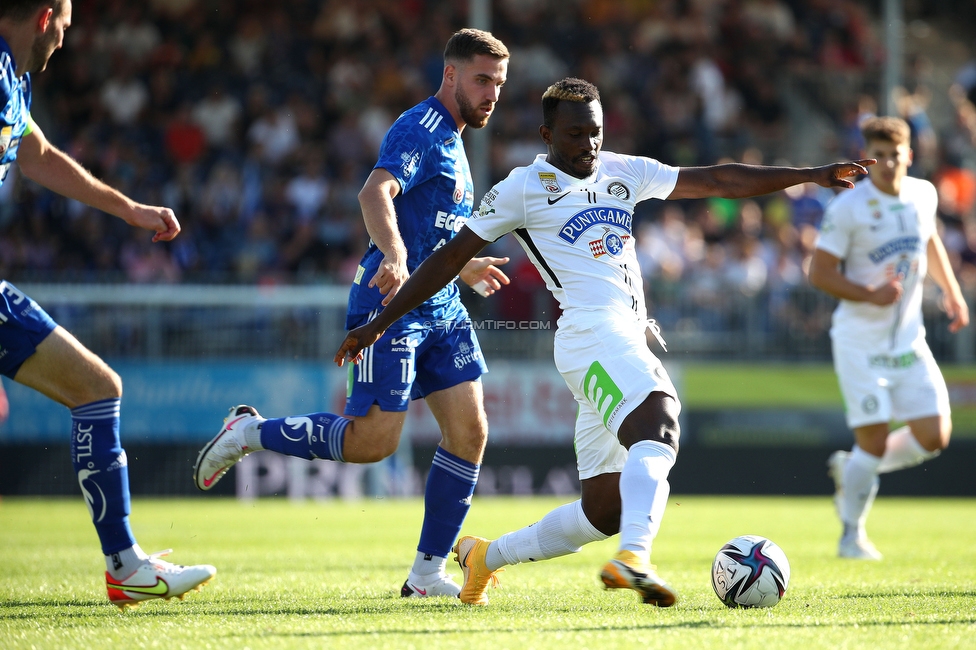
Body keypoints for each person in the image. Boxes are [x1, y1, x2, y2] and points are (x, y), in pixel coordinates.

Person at [334, 77, 873, 606]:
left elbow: (721, 181)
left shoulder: (624, 170)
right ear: (547, 135)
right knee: (660, 420)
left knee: (603, 509)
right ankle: (634, 557)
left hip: (621, 338)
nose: (588, 144)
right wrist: (377, 324)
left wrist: (811, 174)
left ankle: (485, 557)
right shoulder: (523, 187)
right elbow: (447, 261)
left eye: (594, 132)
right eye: (573, 134)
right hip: (590, 332)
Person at [193, 28, 511, 598]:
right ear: (451, 75)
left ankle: (425, 575)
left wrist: (460, 268)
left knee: (470, 433)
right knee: (374, 443)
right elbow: (375, 193)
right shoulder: (422, 126)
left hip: (440, 304)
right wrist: (392, 253)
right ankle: (249, 432)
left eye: (499, 84)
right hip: (390, 306)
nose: (491, 93)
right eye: (482, 79)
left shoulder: (459, 142)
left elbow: (430, 226)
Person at [0, 0, 215, 609]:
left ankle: (125, 566)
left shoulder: (13, 82)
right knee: (98, 389)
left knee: (97, 388)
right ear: (45, 16)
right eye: (65, 23)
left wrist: (128, 209)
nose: (67, 39)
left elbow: (36, 154)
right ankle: (124, 565)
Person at [809, 116, 969, 560]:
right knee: (874, 442)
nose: (887, 163)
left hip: (908, 339)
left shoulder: (924, 193)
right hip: (860, 341)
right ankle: (851, 535)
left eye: (896, 154)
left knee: (935, 435)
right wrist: (869, 294)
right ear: (867, 158)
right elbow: (818, 272)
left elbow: (930, 241)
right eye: (877, 155)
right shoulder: (847, 208)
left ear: (910, 156)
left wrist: (952, 293)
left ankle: (853, 469)